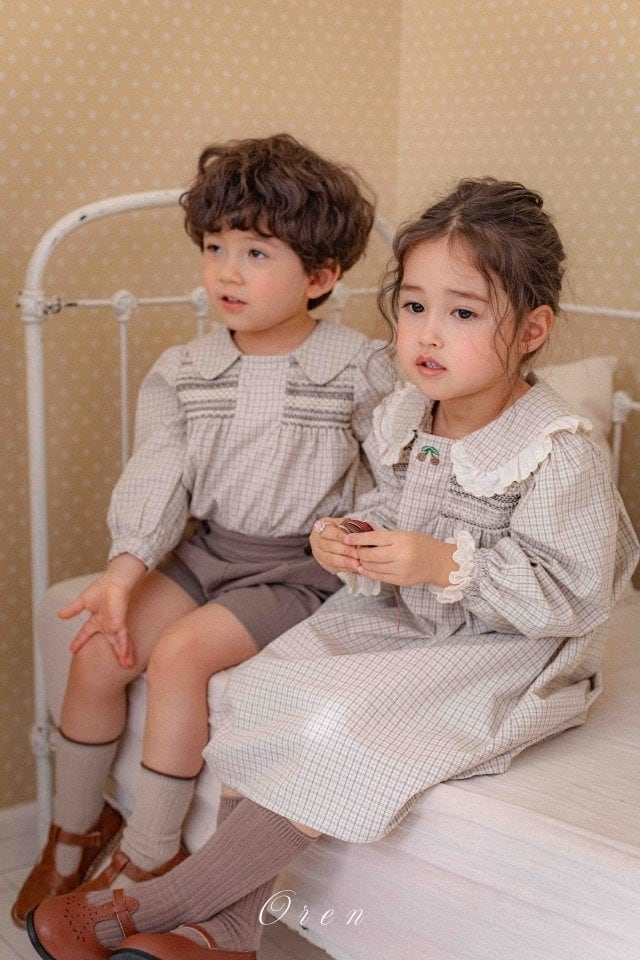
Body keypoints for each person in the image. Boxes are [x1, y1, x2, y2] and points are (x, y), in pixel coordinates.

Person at [25, 177, 639, 960]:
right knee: (265, 687)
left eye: (463, 313)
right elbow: (387, 506)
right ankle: (231, 933)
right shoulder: (407, 416)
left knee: (337, 724)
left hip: (507, 651)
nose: (427, 334)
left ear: (532, 328)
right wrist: (350, 540)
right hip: (410, 622)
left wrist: (443, 563)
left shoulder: (557, 447)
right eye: (413, 306)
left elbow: (575, 594)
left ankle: (163, 901)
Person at [13, 132, 397, 928]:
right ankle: (73, 833)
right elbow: (159, 475)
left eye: (255, 254)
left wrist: (371, 548)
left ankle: (152, 853)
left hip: (297, 568)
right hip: (209, 549)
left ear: (320, 276)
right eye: (215, 248)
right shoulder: (186, 370)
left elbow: (396, 470)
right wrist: (123, 574)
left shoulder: (359, 368)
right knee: (97, 649)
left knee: (183, 655)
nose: (226, 271)